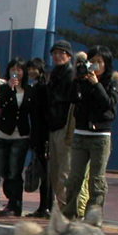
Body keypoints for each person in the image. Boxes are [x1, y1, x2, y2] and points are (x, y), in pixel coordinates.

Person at [61, 45, 118, 223]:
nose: (95, 66)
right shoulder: (83, 78)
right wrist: (78, 79)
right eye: (92, 62)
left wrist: (95, 83)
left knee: (96, 180)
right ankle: (68, 214)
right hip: (81, 133)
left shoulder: (112, 81)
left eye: (99, 62)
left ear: (106, 63)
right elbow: (72, 99)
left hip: (100, 136)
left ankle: (93, 218)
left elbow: (108, 104)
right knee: (74, 177)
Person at [0, 58, 34, 217]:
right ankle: (12, 201)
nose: (16, 72)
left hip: (20, 136)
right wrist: (10, 89)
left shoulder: (29, 90)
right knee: (4, 171)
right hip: (3, 134)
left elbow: (32, 111)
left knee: (14, 171)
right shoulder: (4, 88)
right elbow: (1, 105)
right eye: (13, 69)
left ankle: (15, 204)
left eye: (19, 69)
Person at [45, 40, 77, 208]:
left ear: (69, 56)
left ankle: (68, 209)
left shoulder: (71, 75)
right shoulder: (54, 74)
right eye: (54, 53)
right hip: (53, 126)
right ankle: (62, 206)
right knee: (55, 172)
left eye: (61, 53)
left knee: (65, 172)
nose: (57, 56)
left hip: (65, 129)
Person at [24, 58, 52, 218]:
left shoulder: (42, 87)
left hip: (43, 134)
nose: (31, 72)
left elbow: (43, 113)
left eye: (34, 68)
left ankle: (45, 206)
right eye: (30, 69)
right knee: (44, 171)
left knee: (46, 172)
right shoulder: (35, 87)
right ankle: (45, 206)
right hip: (37, 133)